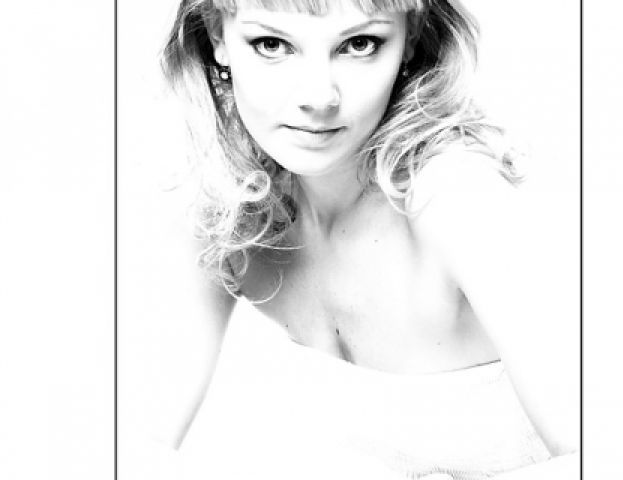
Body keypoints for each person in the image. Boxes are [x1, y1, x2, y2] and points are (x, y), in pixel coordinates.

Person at [130, 0, 578, 478]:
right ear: (217, 35)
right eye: (272, 44)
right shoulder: (227, 210)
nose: (319, 97)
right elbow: (133, 447)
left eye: (360, 44)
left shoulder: (455, 197)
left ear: (411, 36)